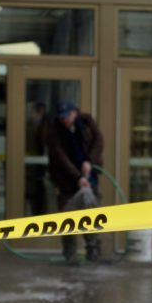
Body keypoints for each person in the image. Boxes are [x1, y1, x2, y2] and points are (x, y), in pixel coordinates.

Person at [46, 100, 104, 263]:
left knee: (91, 216)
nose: (65, 120)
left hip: (89, 178)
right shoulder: (54, 131)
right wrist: (77, 177)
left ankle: (93, 250)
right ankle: (70, 254)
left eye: (67, 116)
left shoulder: (86, 122)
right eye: (61, 117)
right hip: (66, 181)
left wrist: (89, 161)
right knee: (67, 219)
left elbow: (98, 141)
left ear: (75, 113)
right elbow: (60, 157)